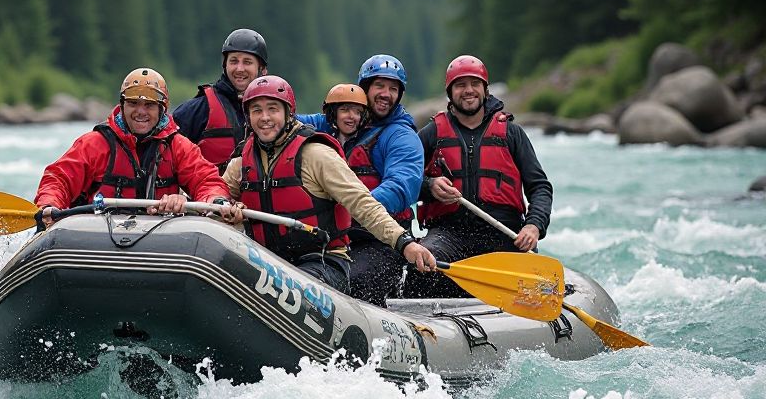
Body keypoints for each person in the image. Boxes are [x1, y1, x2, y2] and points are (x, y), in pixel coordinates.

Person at [218, 75, 435, 295]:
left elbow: (362, 202)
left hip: (322, 262)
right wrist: (227, 209)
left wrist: (404, 243)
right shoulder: (241, 164)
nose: (265, 118)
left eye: (272, 109)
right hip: (268, 260)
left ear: (288, 113)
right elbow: (216, 198)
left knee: (287, 285)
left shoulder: (316, 155)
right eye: (257, 110)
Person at [403, 54, 553, 297]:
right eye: (460, 85)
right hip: (448, 234)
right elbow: (404, 180)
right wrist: (429, 185)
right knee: (421, 266)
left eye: (474, 84)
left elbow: (540, 187)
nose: (468, 91)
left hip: (502, 234)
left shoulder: (511, 134)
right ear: (450, 93)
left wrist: (534, 226)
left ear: (485, 89)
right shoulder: (431, 135)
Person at [298, 56, 424, 305]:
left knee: (352, 283)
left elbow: (402, 186)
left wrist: (351, 209)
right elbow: (286, 122)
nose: (386, 94)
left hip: (379, 242)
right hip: (333, 241)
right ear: (364, 87)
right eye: (379, 86)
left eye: (393, 88)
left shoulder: (400, 136)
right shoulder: (337, 122)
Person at [35, 67, 230, 226]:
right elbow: (59, 179)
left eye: (149, 106)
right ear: (122, 105)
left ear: (162, 109)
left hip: (159, 237)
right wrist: (49, 204)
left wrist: (214, 200)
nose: (140, 112)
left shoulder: (178, 146)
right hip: (97, 235)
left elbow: (207, 180)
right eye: (133, 104)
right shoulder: (94, 144)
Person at [172, 28, 269, 171]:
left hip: (255, 192)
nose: (239, 68)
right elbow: (167, 152)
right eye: (234, 61)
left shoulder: (273, 111)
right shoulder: (199, 109)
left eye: (247, 62)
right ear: (225, 65)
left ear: (262, 69)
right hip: (211, 191)